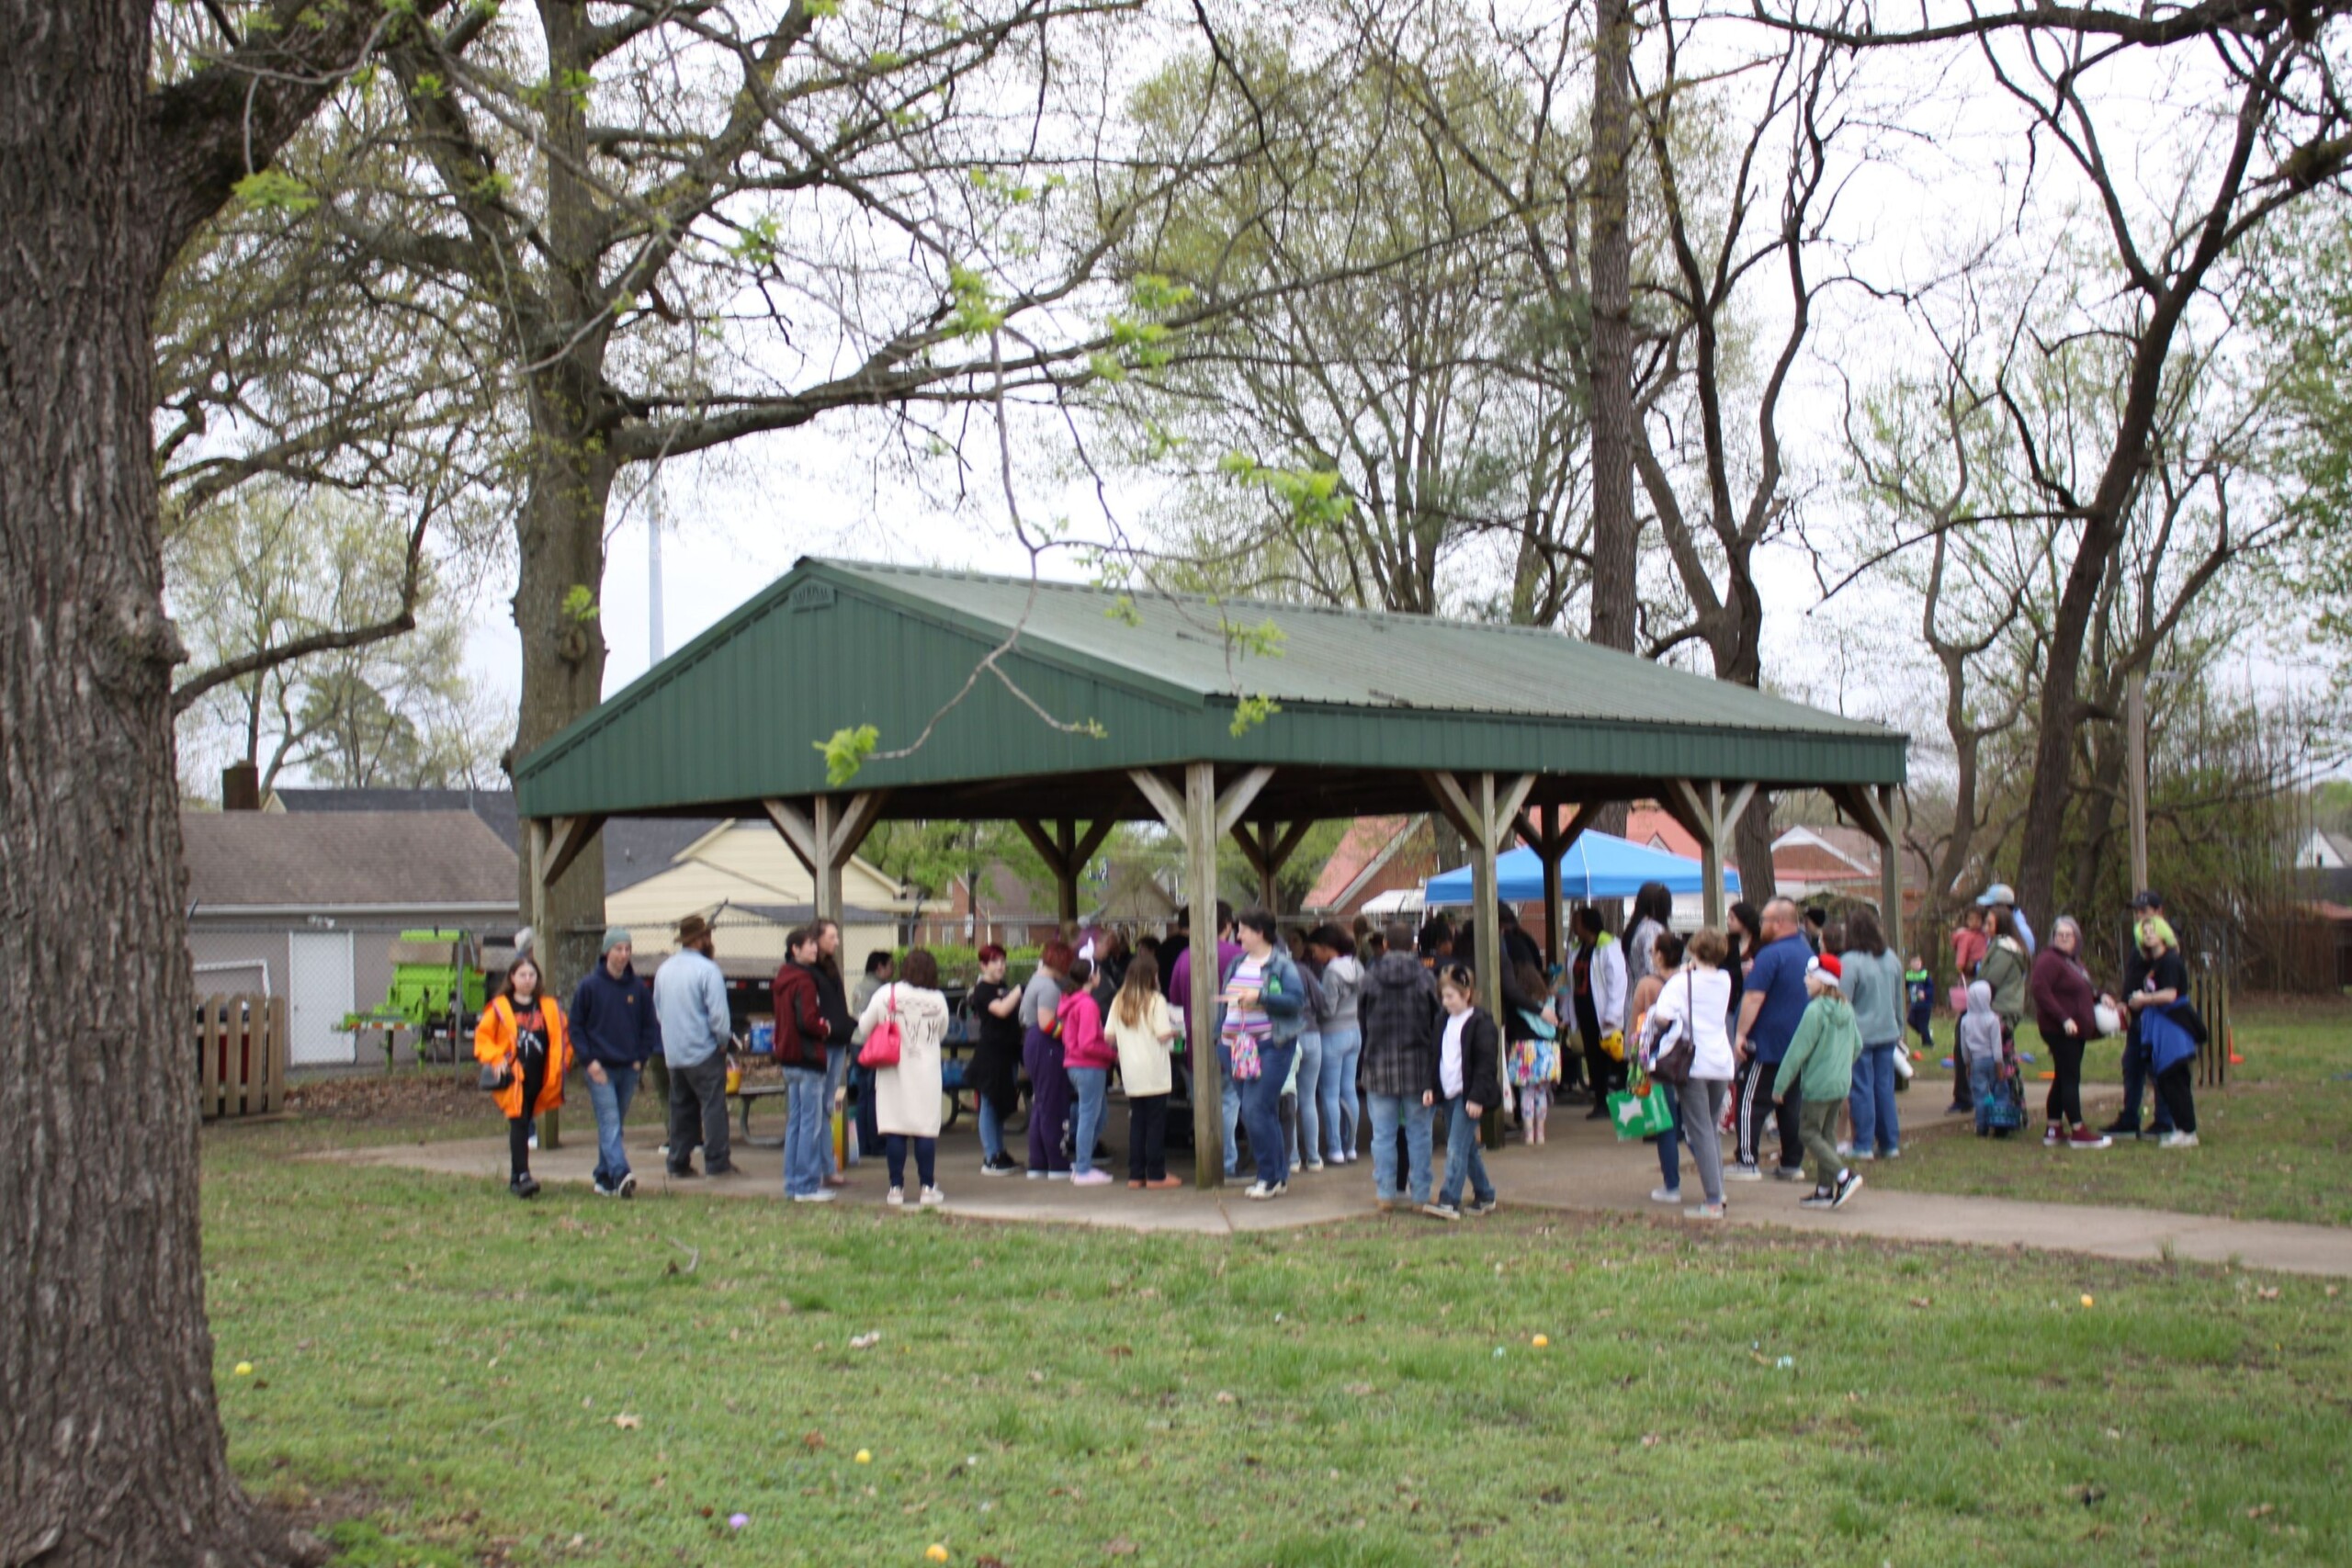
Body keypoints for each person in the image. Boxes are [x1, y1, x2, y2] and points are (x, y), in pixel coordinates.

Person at [1218, 908, 1307, 1199]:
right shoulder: (1237, 962)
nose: (1238, 935)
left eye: (1243, 930)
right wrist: (1219, 1036)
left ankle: (1267, 1177)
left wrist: (1261, 997)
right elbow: (1226, 1003)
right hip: (1237, 1047)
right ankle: (1278, 1176)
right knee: (1259, 1111)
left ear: (1260, 933)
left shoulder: (1282, 965)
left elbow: (1296, 1001)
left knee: (1255, 1110)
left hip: (1271, 1046)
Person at [1648, 927, 1736, 1219]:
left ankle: (1713, 1200)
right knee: (1709, 1129)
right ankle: (1717, 1191)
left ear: (1694, 951)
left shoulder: (1679, 983)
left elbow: (1662, 1017)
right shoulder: (1725, 979)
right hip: (1721, 1061)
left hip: (1693, 1062)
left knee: (1699, 1131)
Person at [855, 946, 951, 1207]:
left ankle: (895, 1188)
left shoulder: (887, 993)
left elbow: (864, 1027)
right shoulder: (938, 999)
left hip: (892, 1069)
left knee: (895, 1128)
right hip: (926, 1071)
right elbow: (941, 1032)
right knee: (924, 1130)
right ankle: (927, 1187)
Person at [570, 927, 661, 1198]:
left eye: (627, 949)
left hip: (628, 1067)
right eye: (618, 949)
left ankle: (604, 1177)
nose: (623, 955)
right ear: (607, 952)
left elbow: (649, 1026)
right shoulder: (589, 986)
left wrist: (640, 1058)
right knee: (609, 1120)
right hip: (600, 1067)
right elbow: (576, 1026)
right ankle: (621, 1173)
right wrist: (588, 1061)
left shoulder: (638, 989)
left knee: (615, 1124)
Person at [1360, 921, 1442, 1210]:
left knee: (1383, 1134)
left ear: (1384, 945)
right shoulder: (1426, 978)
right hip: (1418, 1065)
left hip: (1379, 1063)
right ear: (1413, 946)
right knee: (1419, 1132)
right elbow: (1437, 1021)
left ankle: (1385, 1193)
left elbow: (1363, 1021)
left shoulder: (1369, 977)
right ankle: (1421, 1193)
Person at [475, 955, 571, 1199]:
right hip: (513, 1078)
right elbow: (483, 1039)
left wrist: (564, 1063)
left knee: (526, 1118)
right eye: (522, 975)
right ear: (512, 978)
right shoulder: (500, 1007)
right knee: (519, 1122)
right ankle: (524, 1176)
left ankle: (515, 1178)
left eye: (532, 975)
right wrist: (497, 1058)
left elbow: (564, 1038)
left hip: (540, 1077)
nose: (528, 980)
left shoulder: (548, 1007)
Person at [1730, 898, 1813, 1180]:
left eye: (1765, 920)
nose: (1760, 924)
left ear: (1779, 923)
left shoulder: (1769, 955)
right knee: (1790, 1104)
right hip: (1799, 1041)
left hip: (1767, 1043)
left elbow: (1754, 997)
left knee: (1750, 1101)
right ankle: (1792, 1161)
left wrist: (1740, 1034)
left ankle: (1747, 1160)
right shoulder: (1806, 953)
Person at [1777, 954, 1863, 1209]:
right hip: (1840, 1083)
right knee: (1827, 1136)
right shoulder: (1846, 1007)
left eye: (1810, 976)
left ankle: (1844, 1176)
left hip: (1817, 1085)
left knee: (1807, 1132)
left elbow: (1797, 1050)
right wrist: (1840, 1067)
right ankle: (1824, 1191)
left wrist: (1780, 1085)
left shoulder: (1814, 1011)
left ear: (1823, 981)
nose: (1805, 980)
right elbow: (1857, 1045)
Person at [652, 913, 736, 1179]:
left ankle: (677, 1161)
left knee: (681, 1107)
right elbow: (719, 1016)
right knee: (713, 1106)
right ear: (701, 939)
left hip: (675, 1052)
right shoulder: (707, 970)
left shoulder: (664, 970)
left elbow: (658, 1009)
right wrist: (723, 1041)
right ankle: (717, 1161)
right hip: (704, 1049)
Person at [1424, 964, 1501, 1222]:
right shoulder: (1442, 1021)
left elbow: (1486, 1065)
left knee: (1456, 1146)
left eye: (1450, 996)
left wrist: (1477, 1097)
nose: (1445, 1002)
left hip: (1468, 1096)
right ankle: (1485, 1194)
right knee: (1466, 1148)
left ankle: (1449, 1199)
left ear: (1467, 994)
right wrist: (1431, 1087)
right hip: (1448, 1093)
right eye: (1443, 996)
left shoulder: (1481, 1023)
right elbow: (1435, 1057)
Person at [2115, 918, 2200, 1146]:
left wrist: (2144, 999)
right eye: (2145, 931)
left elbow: (2171, 994)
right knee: (2165, 1078)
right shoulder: (2155, 963)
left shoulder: (2170, 961)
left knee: (2175, 1077)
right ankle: (2183, 1129)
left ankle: (2187, 1131)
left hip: (2174, 1025)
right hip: (2159, 1025)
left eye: (2153, 930)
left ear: (2164, 933)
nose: (2149, 934)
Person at [2031, 917, 2113, 1149]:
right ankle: (2078, 1130)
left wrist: (2099, 996)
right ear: (2053, 937)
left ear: (2076, 939)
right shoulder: (2049, 960)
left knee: (2062, 1077)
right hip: (2060, 1029)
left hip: (2077, 1029)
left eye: (2069, 935)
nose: (2064, 938)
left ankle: (2053, 1127)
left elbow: (2083, 987)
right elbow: (2040, 990)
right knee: (2070, 1078)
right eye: (2060, 934)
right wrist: (2063, 1018)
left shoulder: (2073, 961)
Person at [1107, 951, 1182, 1188]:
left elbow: (1108, 1035)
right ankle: (1156, 1174)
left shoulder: (1120, 999)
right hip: (1154, 1069)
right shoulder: (1155, 1000)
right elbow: (1162, 1034)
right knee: (1156, 1123)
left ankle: (1136, 1173)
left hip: (1130, 1069)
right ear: (1151, 976)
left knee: (1137, 1122)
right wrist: (1175, 1031)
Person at [771, 925, 833, 1201]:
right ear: (794, 949)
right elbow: (807, 1020)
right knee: (811, 1123)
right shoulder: (806, 982)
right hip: (808, 1060)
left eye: (814, 944)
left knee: (795, 1122)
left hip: (789, 1059)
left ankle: (792, 1183)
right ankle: (807, 1184)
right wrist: (826, 1028)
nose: (814, 948)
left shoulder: (783, 978)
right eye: (808, 944)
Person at [1840, 908, 1905, 1162]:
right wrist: (1899, 1027)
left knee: (1861, 1089)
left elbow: (1842, 1001)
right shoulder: (1891, 958)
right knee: (1884, 1089)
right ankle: (1890, 1143)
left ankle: (1864, 1144)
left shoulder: (1850, 961)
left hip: (1859, 1035)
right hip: (1887, 1032)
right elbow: (1898, 998)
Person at [964, 944, 1025, 1175]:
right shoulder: (983, 990)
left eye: (1002, 960)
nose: (1000, 965)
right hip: (991, 1054)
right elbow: (1000, 1010)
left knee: (1000, 1104)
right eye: (994, 961)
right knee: (989, 1104)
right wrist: (1019, 990)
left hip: (1007, 1052)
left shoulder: (1001, 986)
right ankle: (991, 1156)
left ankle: (1000, 1151)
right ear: (983, 965)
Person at [1634, 931, 1687, 1201]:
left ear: (1660, 955)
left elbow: (1638, 1026)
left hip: (1658, 1060)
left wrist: (1634, 1060)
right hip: (1688, 1057)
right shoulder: (1688, 981)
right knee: (1694, 1122)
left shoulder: (1647, 985)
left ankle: (1672, 1184)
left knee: (1664, 1122)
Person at [1057, 957, 1118, 1187]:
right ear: (1092, 977)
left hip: (1076, 1064)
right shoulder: (1088, 1005)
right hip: (1088, 1065)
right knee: (1090, 1116)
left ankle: (1083, 1163)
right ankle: (1083, 1168)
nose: (1100, 976)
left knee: (1097, 1115)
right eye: (1098, 972)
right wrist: (1113, 1053)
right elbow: (1088, 1043)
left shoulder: (1070, 1000)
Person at [1309, 926, 1364, 1165]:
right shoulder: (1356, 965)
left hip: (1332, 1034)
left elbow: (1328, 1009)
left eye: (1315, 951)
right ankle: (1350, 1146)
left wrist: (1313, 1007)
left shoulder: (1331, 972)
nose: (1313, 956)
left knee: (1330, 1094)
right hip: (1354, 1031)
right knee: (1349, 1090)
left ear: (1326, 948)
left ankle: (1335, 1149)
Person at [1021, 939, 1075, 1179]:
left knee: (1041, 1104)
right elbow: (1047, 1023)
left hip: (1033, 1042)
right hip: (1047, 1046)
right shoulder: (1050, 988)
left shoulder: (1035, 980)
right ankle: (1057, 1162)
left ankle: (1038, 1162)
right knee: (1053, 1105)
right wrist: (1072, 1033)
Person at [1569, 907, 1628, 1117]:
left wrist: (1613, 1014)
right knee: (1593, 1060)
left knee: (1615, 1058)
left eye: (1576, 922)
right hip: (1585, 1011)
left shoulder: (1609, 946)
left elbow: (1617, 982)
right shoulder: (1578, 948)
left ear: (1587, 925)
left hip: (1603, 1013)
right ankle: (1601, 1102)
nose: (1574, 926)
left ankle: (1624, 1101)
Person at [813, 920, 859, 1188]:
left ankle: (828, 1165)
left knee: (828, 1105)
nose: (837, 941)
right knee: (818, 1106)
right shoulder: (808, 973)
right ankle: (821, 1166)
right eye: (832, 937)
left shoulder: (830, 969)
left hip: (838, 1040)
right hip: (824, 1042)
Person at [1284, 931, 1330, 1175]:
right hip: (1312, 1034)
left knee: (1287, 1102)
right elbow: (1322, 1003)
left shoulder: (1269, 973)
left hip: (1287, 1037)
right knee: (1309, 1099)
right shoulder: (1304, 971)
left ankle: (1292, 1158)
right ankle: (1313, 1157)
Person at [1946, 907, 1989, 1111]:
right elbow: (1961, 959)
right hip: (1973, 986)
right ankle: (1969, 1093)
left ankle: (1969, 1093)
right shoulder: (1968, 937)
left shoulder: (1984, 938)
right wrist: (1963, 965)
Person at [1977, 908, 2031, 1054]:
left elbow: (1991, 980)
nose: (1985, 928)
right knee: (2004, 1054)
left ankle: (2004, 1077)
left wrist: (1974, 996)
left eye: (1990, 924)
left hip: (2001, 1009)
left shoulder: (2004, 951)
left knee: (1998, 1055)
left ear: (2001, 926)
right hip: (2005, 1007)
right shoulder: (2000, 946)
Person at [1956, 979, 2007, 1136]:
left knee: (1980, 1095)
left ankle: (1981, 1126)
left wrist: (1967, 1063)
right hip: (1992, 1060)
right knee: (2000, 1092)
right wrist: (2000, 1065)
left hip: (1976, 1062)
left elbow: (1963, 1046)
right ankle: (2000, 1124)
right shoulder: (1993, 1019)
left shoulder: (1965, 1020)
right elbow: (1997, 1045)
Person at [1623, 883, 1672, 993]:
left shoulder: (1637, 927)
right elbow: (1653, 968)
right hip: (1652, 996)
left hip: (1635, 993)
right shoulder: (1653, 930)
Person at [1977, 882, 2036, 955]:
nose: (1987, 911)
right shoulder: (1994, 926)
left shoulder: (2023, 933)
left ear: (2003, 907)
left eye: (1989, 907)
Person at [1904, 955, 1935, 1059]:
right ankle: (1926, 1033)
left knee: (1923, 1024)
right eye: (1914, 963)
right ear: (1910, 965)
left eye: (1918, 963)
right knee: (1910, 1020)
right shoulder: (1909, 975)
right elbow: (1905, 986)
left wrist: (1925, 993)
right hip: (1915, 1004)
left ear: (1921, 964)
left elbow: (1931, 988)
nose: (1916, 965)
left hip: (1925, 1004)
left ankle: (1929, 1044)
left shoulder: (1925, 975)